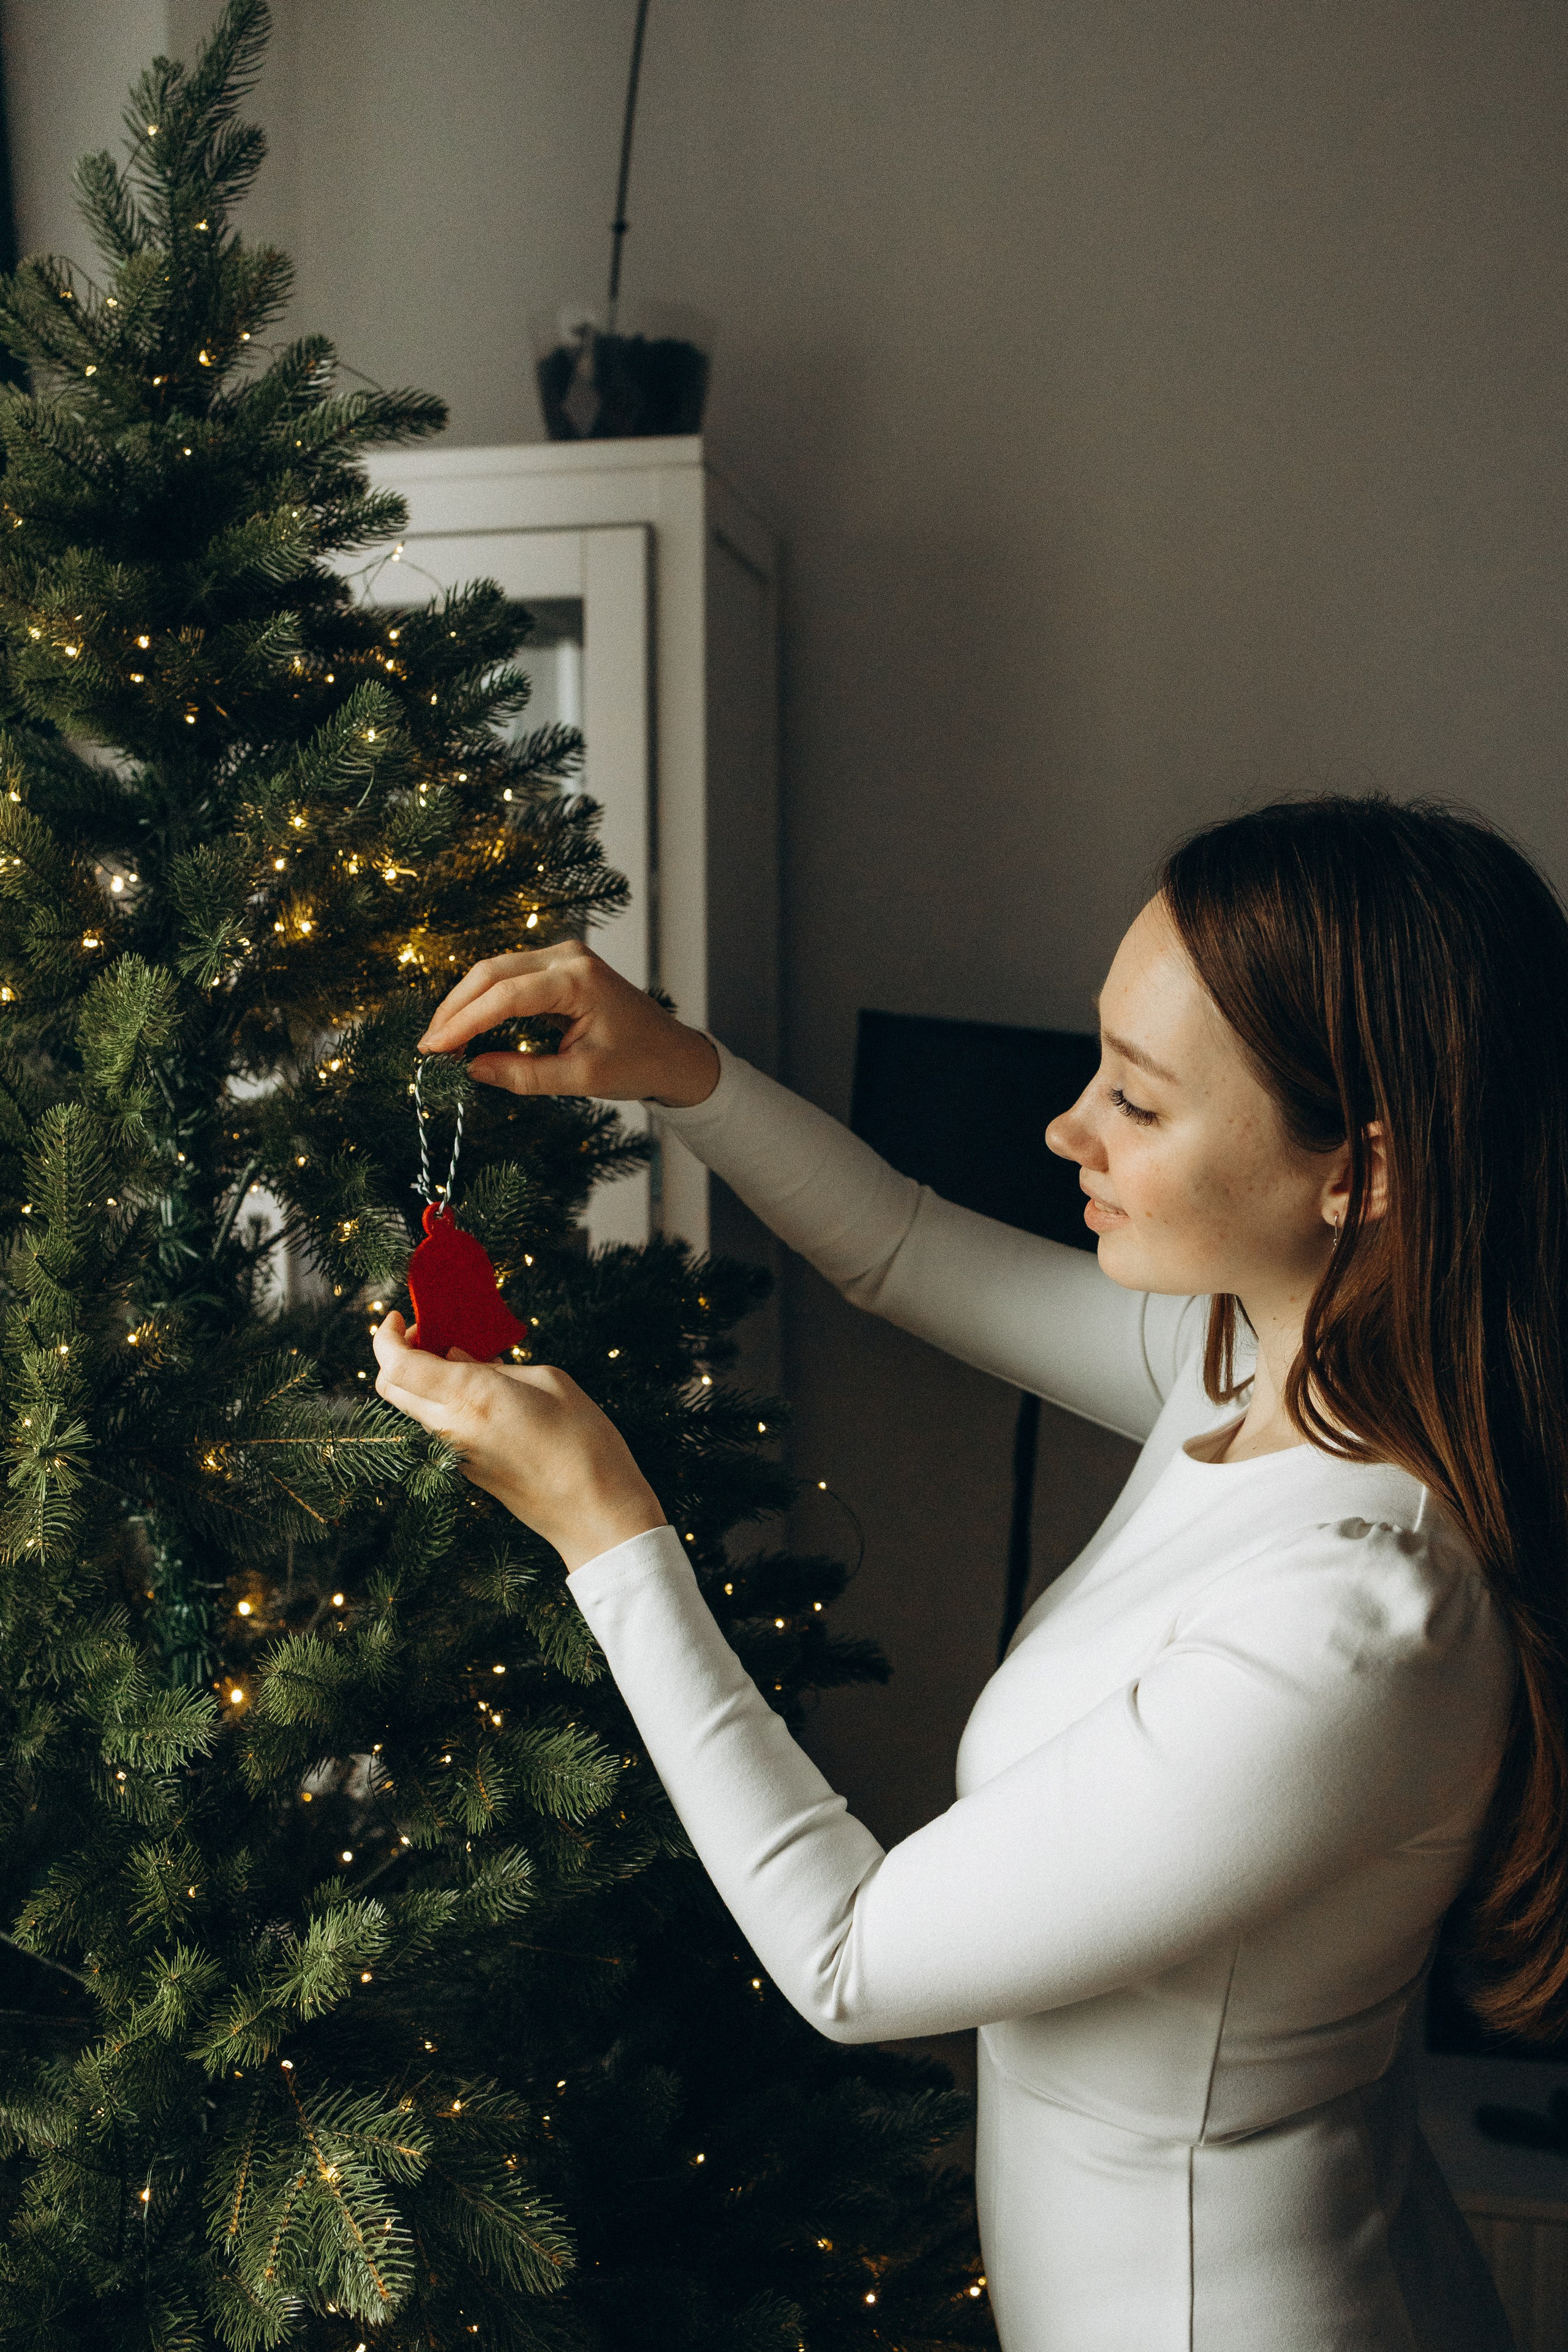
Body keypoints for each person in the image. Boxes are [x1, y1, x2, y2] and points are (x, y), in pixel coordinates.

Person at [372, 794, 1568, 2350]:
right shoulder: (1259, 1363)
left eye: (1137, 1103)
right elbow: (902, 1251)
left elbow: (848, 1958)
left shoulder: (1358, 1620)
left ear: (1362, 1170)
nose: (1067, 1127)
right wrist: (672, 1066)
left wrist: (602, 1522)